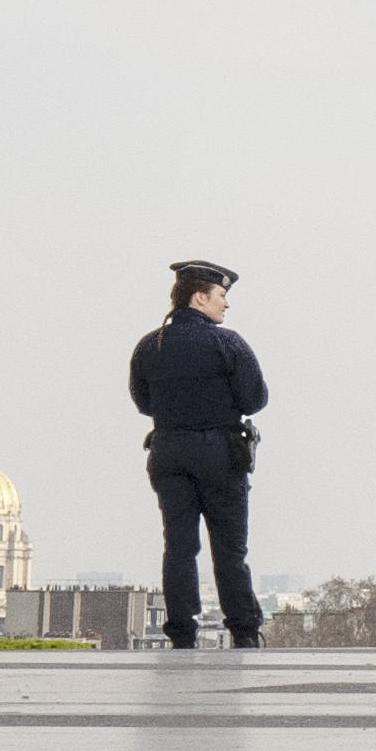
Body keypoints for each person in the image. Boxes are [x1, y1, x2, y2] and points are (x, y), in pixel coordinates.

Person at [126, 262, 268, 649]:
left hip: (169, 451)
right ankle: (243, 630)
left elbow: (142, 402)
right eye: (222, 296)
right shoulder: (228, 343)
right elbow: (255, 399)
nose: (227, 306)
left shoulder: (149, 345)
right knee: (230, 549)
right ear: (200, 296)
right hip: (221, 453)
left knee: (179, 546)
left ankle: (182, 633)